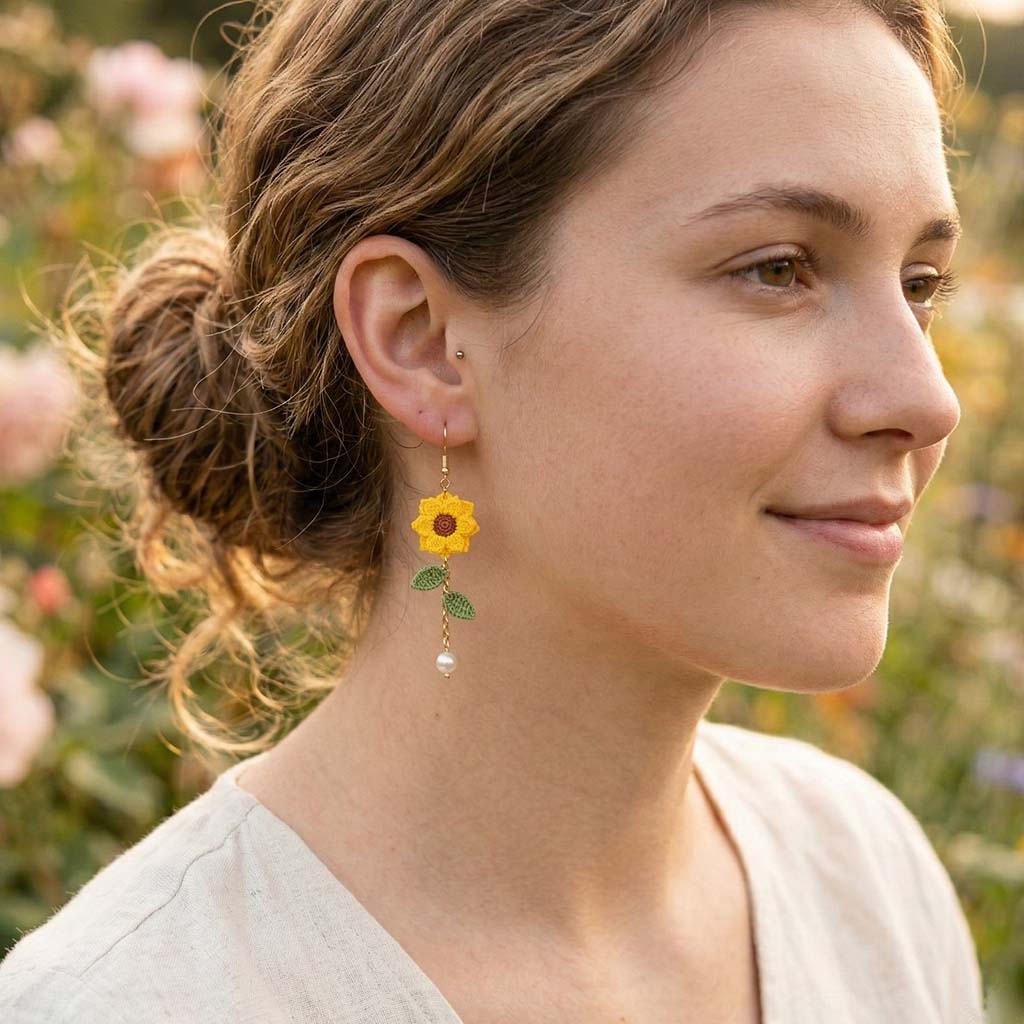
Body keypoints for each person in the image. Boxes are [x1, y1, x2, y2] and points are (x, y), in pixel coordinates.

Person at [0, 0, 987, 1020]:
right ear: (420, 337)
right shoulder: (131, 1000)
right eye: (777, 268)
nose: (924, 400)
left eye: (920, 282)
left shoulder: (864, 887)